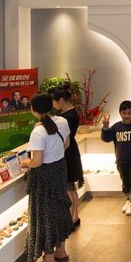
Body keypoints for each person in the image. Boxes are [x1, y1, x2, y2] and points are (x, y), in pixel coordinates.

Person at [19, 93, 73, 262]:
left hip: (43, 176)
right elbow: (66, 145)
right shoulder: (62, 121)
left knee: (45, 215)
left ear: (33, 109)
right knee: (59, 209)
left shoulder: (38, 131)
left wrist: (25, 163)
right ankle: (61, 251)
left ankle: (48, 259)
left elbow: (37, 162)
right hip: (59, 169)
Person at [48, 84, 83, 230]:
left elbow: (63, 138)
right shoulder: (67, 114)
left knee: (69, 189)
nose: (52, 105)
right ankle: (74, 217)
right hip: (69, 151)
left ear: (61, 100)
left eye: (53, 101)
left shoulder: (68, 116)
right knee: (70, 189)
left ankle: (72, 219)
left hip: (67, 153)